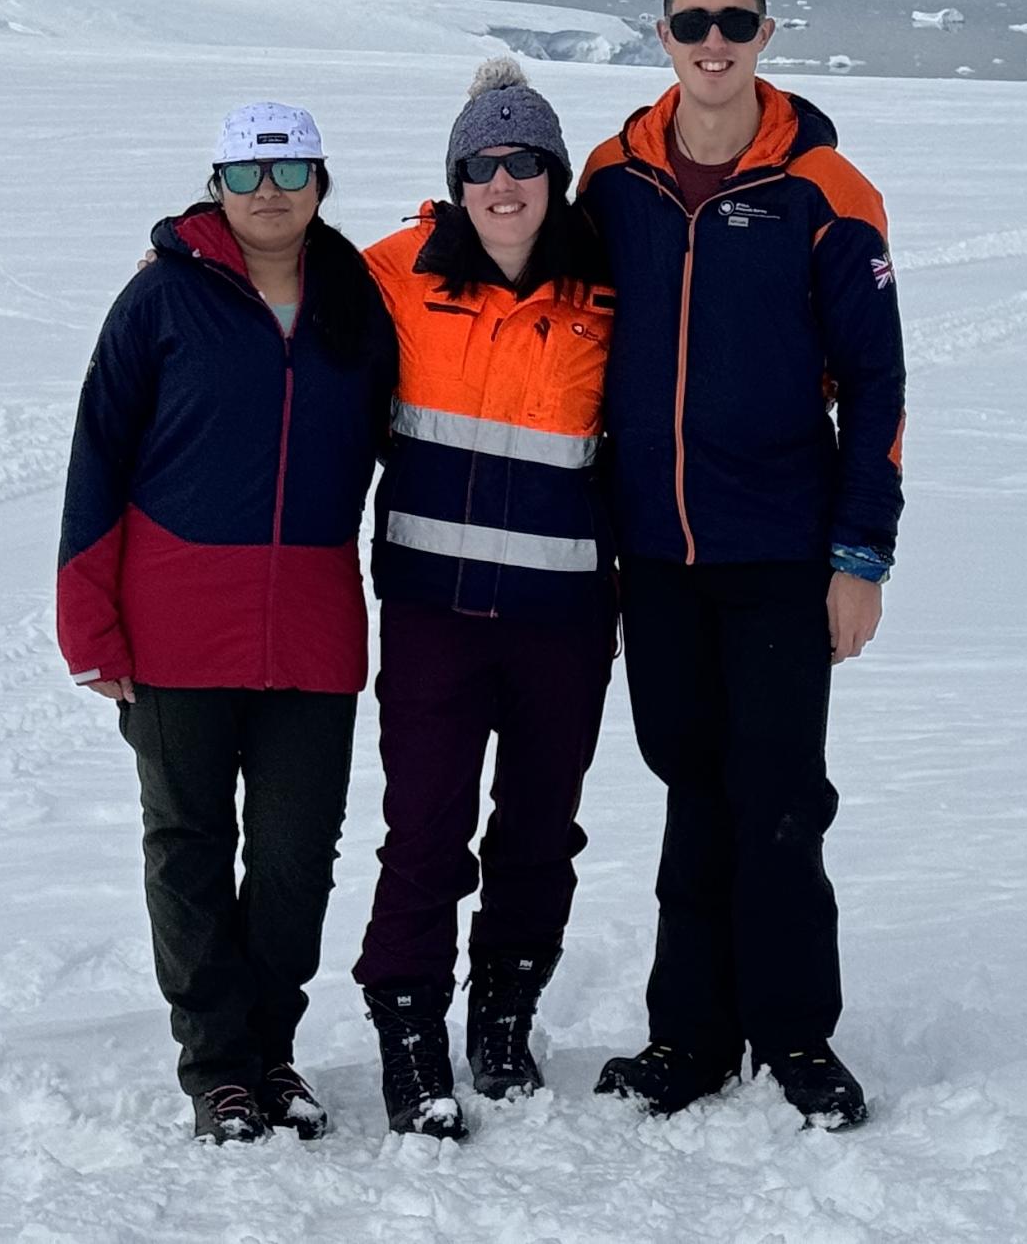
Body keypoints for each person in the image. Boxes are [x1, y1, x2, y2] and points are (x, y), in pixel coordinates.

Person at [580, 0, 904, 1131]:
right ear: (659, 32)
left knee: (774, 795)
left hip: (778, 549)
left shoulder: (826, 188)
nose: (711, 42)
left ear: (767, 34)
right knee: (686, 782)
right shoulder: (612, 178)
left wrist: (860, 555)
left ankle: (798, 1034)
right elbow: (534, 299)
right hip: (653, 554)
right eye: (690, 21)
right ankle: (691, 1035)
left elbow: (876, 382)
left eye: (734, 21)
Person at [56, 100, 398, 1145]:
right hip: (174, 620)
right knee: (189, 846)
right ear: (216, 185)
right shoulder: (162, 298)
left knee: (296, 854)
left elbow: (420, 437)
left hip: (312, 623)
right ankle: (220, 1068)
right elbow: (97, 454)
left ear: (319, 182)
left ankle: (271, 1045)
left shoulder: (357, 298)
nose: (268, 193)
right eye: (246, 175)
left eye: (289, 171)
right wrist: (90, 623)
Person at [352, 56, 619, 1141]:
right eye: (480, 164)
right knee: (424, 827)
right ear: (455, 178)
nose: (502, 183)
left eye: (523, 162)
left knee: (538, 832)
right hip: (431, 613)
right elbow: (270, 270)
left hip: (563, 619)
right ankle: (409, 1025)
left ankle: (503, 1012)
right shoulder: (395, 272)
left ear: (554, 173)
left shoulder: (606, 288)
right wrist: (186, 247)